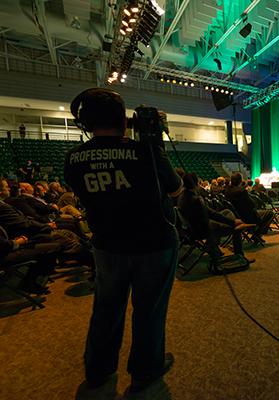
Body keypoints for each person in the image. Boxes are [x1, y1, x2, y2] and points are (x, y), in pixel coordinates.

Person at [64, 88, 183, 393]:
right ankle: (146, 371)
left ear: (85, 123)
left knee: (106, 309)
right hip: (153, 245)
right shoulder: (145, 151)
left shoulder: (73, 158)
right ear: (124, 119)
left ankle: (98, 371)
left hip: (108, 247)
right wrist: (154, 145)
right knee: (149, 310)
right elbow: (175, 190)